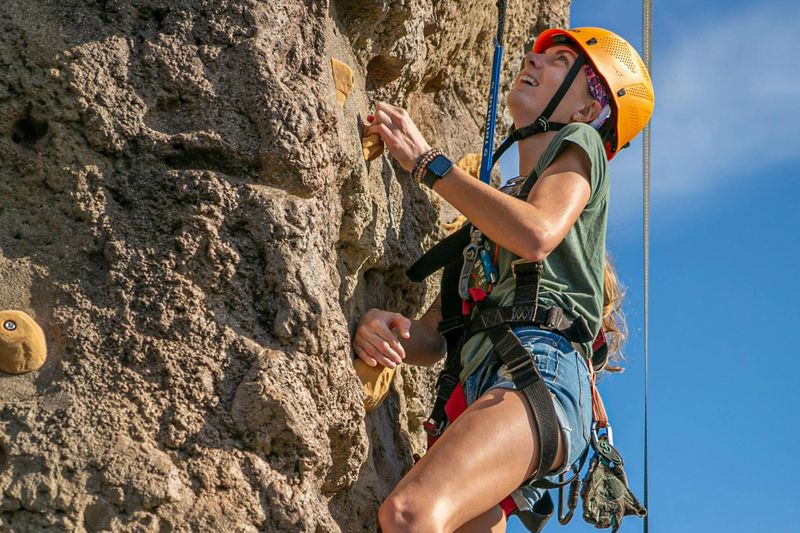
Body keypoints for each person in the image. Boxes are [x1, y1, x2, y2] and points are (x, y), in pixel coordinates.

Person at [352, 27, 654, 532]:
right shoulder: (488, 222)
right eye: (539, 53)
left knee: (409, 514)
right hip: (493, 389)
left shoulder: (581, 144)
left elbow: (536, 234)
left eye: (559, 60)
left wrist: (427, 163)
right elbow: (435, 335)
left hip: (536, 376)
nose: (533, 61)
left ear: (587, 111)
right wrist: (386, 330)